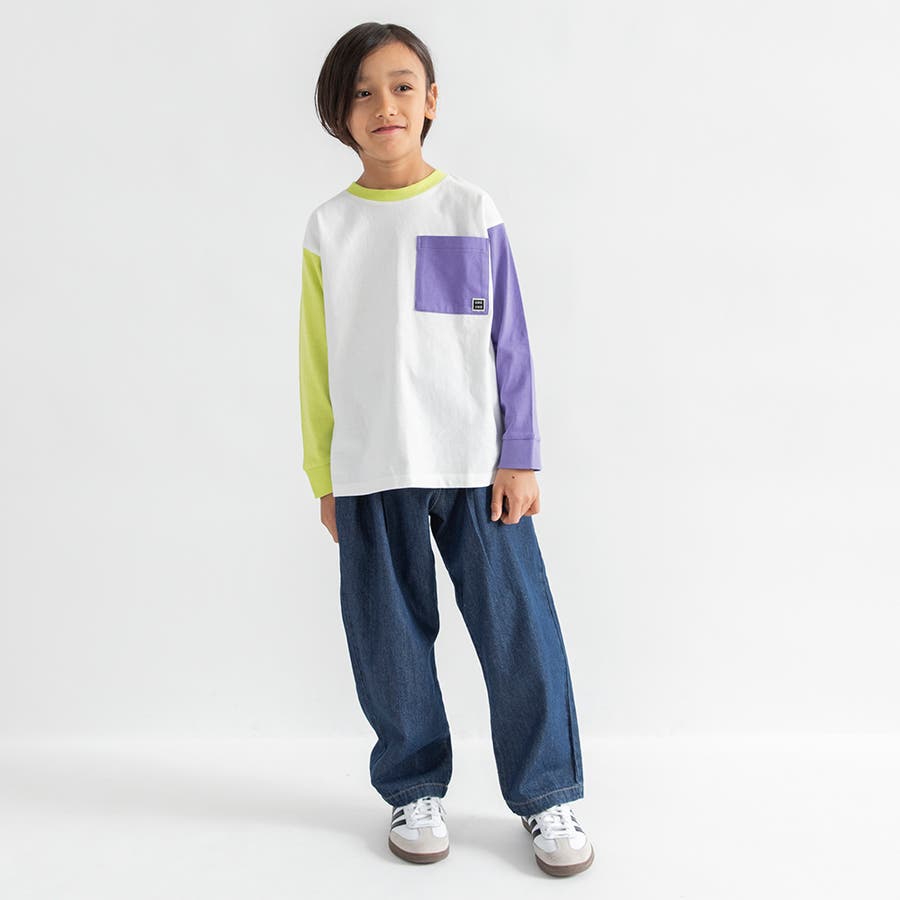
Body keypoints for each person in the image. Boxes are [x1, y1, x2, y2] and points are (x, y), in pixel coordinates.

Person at [298, 21, 593, 877]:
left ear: (431, 100)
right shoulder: (329, 228)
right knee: (387, 641)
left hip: (476, 464)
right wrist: (325, 476)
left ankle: (548, 793)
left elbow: (510, 341)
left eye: (401, 85)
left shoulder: (470, 209)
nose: (383, 104)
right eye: (361, 91)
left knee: (519, 632)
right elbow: (314, 364)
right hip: (371, 467)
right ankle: (413, 787)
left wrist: (520, 452)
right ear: (339, 113)